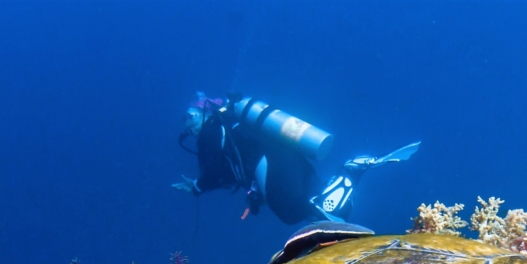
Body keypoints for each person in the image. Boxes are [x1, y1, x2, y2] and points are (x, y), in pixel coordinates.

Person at [174, 93, 418, 225]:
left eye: (190, 117)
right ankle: (348, 176)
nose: (188, 126)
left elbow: (217, 169)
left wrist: (197, 186)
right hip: (287, 153)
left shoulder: (212, 129)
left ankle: (349, 172)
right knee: (321, 204)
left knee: (291, 213)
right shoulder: (234, 125)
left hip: (270, 161)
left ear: (202, 112)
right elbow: (232, 168)